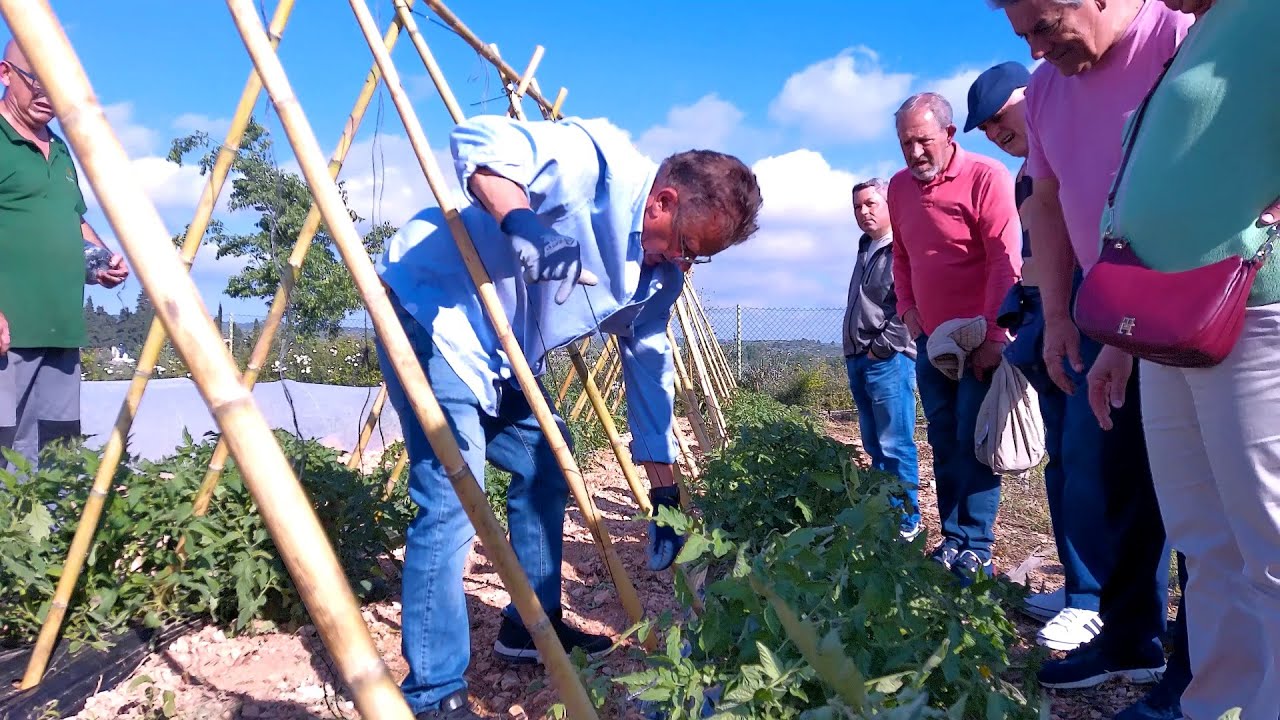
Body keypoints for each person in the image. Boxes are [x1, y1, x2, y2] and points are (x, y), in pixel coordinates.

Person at [375, 113, 762, 718]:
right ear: (662, 201)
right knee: (454, 491)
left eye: (701, 258)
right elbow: (478, 143)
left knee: (546, 461)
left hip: (505, 348)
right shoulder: (597, 162)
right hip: (440, 308)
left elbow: (649, 364)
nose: (684, 264)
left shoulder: (661, 274)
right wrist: (525, 222)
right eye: (687, 246)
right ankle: (433, 692)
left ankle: (530, 625)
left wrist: (664, 490)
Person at [990, 0, 1193, 715]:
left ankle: (1198, 675)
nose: (1038, 51)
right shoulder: (1046, 91)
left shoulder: (1180, 35)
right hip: (1100, 303)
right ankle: (1134, 636)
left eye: (1045, 25)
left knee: (1201, 502)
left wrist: (1132, 316)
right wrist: (1056, 315)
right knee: (1119, 481)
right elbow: (1045, 202)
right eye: (1024, 37)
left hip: (1196, 298)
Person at [1085, 0, 1279, 716]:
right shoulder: (1202, 31)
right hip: (1168, 322)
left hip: (1255, 312)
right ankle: (1216, 706)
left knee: (1271, 545)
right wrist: (1119, 341)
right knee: (1205, 543)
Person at [967, 60, 1114, 653]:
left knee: (1092, 462)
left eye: (1000, 118)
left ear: (1035, 95)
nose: (995, 134)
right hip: (1050, 328)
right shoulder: (1030, 174)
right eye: (986, 129)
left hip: (1091, 323)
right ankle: (1080, 585)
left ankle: (1097, 601)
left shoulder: (1080, 151)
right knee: (1064, 463)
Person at [888, 92, 1021, 585]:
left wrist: (994, 333)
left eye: (923, 141)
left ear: (948, 134)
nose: (915, 153)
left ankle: (978, 544)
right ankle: (952, 537)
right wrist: (908, 311)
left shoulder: (987, 177)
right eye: (906, 144)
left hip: (979, 338)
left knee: (975, 436)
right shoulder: (900, 189)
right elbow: (902, 256)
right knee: (943, 437)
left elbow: (1004, 258)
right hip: (931, 342)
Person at [1, 39, 128, 473]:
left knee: (56, 460)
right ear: (5, 74)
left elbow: (73, 222)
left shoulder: (59, 150)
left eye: (55, 85)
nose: (46, 95)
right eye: (35, 80)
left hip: (60, 335)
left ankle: (49, 544)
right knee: (5, 457)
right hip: (7, 337)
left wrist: (101, 261)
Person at [841, 178, 920, 542]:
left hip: (888, 359)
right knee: (873, 443)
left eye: (871, 204)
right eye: (858, 206)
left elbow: (910, 306)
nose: (864, 212)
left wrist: (881, 348)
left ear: (890, 204)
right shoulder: (866, 247)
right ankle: (883, 515)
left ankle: (906, 522)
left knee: (895, 442)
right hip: (859, 356)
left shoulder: (902, 247)